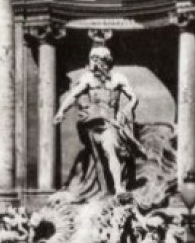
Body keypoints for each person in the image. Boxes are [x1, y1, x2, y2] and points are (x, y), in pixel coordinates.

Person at [52, 43, 141, 198]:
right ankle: (106, 189)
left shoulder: (119, 78)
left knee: (109, 149)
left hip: (111, 123)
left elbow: (134, 97)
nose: (92, 63)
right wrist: (61, 111)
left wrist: (127, 109)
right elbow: (73, 95)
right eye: (91, 59)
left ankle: (118, 188)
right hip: (94, 124)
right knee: (99, 157)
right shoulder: (87, 79)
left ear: (104, 61)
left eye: (95, 59)